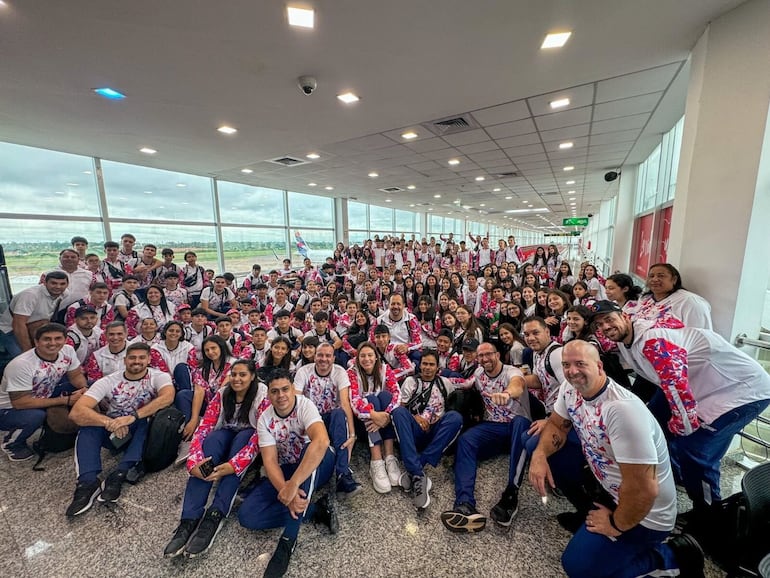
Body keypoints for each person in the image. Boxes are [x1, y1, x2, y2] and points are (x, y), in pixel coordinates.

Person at [529, 340, 704, 578]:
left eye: (580, 363)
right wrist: (539, 455)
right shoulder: (570, 389)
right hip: (611, 490)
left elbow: (644, 490)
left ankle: (674, 555)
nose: (572, 371)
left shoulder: (622, 410)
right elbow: (558, 427)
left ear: (599, 366)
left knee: (579, 568)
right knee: (544, 452)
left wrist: (615, 524)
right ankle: (590, 516)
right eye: (566, 365)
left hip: (647, 512)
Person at [591, 299, 770, 531]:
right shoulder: (629, 337)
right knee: (651, 425)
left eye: (608, 319)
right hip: (703, 387)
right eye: (598, 324)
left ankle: (708, 514)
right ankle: (674, 477)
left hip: (742, 391)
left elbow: (677, 387)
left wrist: (683, 427)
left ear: (625, 316)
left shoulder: (653, 340)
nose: (605, 327)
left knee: (694, 451)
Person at [237, 369, 337, 578]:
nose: (281, 395)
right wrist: (285, 488)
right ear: (269, 395)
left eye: (285, 389)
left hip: (319, 462)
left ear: (292, 389)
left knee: (310, 453)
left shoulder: (305, 405)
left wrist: (292, 486)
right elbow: (270, 460)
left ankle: (288, 541)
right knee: (248, 516)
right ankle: (315, 509)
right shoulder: (265, 419)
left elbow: (321, 441)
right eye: (275, 391)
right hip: (287, 469)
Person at [163, 359, 268, 558]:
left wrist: (233, 465)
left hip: (248, 438)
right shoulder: (223, 394)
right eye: (234, 374)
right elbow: (205, 426)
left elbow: (260, 434)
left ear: (252, 376)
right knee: (211, 441)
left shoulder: (262, 395)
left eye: (243, 375)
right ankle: (189, 518)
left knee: (242, 442)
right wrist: (193, 462)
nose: (237, 379)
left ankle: (215, 514)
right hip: (226, 433)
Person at [66, 342, 174, 517]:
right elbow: (77, 412)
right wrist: (108, 422)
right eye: (132, 358)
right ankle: (87, 482)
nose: (136, 361)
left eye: (141, 358)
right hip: (114, 428)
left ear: (148, 360)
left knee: (146, 420)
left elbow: (167, 397)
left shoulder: (158, 376)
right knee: (87, 427)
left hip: (140, 428)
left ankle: (120, 473)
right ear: (125, 360)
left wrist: (132, 417)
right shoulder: (109, 380)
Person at [440, 342, 530, 533]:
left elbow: (518, 385)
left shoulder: (511, 371)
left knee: (521, 423)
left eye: (488, 354)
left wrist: (507, 394)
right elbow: (465, 384)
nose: (484, 359)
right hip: (494, 427)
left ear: (497, 355)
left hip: (516, 426)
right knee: (466, 440)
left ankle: (511, 496)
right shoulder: (479, 374)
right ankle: (465, 505)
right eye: (480, 356)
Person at [0, 323, 88, 461]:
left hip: (44, 392)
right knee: (35, 416)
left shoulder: (68, 350)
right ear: (36, 342)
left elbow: (75, 376)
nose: (53, 343)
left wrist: (84, 390)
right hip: (8, 408)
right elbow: (19, 403)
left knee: (91, 386)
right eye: (47, 339)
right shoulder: (20, 365)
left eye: (58, 338)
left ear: (65, 340)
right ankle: (12, 443)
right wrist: (65, 400)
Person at [391, 350, 463, 510]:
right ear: (419, 365)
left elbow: (451, 407)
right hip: (415, 431)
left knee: (455, 418)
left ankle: (418, 467)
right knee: (398, 413)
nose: (427, 368)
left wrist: (441, 418)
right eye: (424, 364)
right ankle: (417, 471)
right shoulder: (411, 381)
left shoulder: (445, 383)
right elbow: (401, 406)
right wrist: (415, 417)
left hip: (435, 433)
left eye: (431, 364)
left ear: (438, 367)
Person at [293, 343, 361, 497]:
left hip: (331, 418)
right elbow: (296, 400)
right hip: (311, 420)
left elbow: (345, 402)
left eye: (328, 356)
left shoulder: (339, 372)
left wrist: (352, 434)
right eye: (320, 355)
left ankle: (342, 474)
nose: (324, 359)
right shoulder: (304, 371)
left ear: (333, 358)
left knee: (339, 413)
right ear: (314, 356)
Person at [347, 341, 403, 494]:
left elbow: (397, 395)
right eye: (362, 356)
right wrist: (374, 415)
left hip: (382, 421)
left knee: (385, 396)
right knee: (371, 400)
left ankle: (389, 456)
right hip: (363, 424)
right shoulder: (352, 373)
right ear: (358, 358)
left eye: (370, 355)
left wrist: (385, 416)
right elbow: (354, 401)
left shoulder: (385, 369)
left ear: (376, 357)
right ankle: (376, 459)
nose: (367, 359)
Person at [0, 271, 69, 357]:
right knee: (24, 358)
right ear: (44, 283)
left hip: (35, 325)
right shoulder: (30, 295)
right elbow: (18, 324)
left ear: (67, 285)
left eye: (62, 284)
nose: (58, 287)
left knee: (50, 352)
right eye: (53, 283)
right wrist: (28, 351)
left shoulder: (64, 293)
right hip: (10, 329)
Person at [626, 263, 713, 329]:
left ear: (674, 279)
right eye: (651, 276)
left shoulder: (690, 302)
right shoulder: (645, 299)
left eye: (661, 276)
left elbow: (700, 337)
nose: (655, 279)